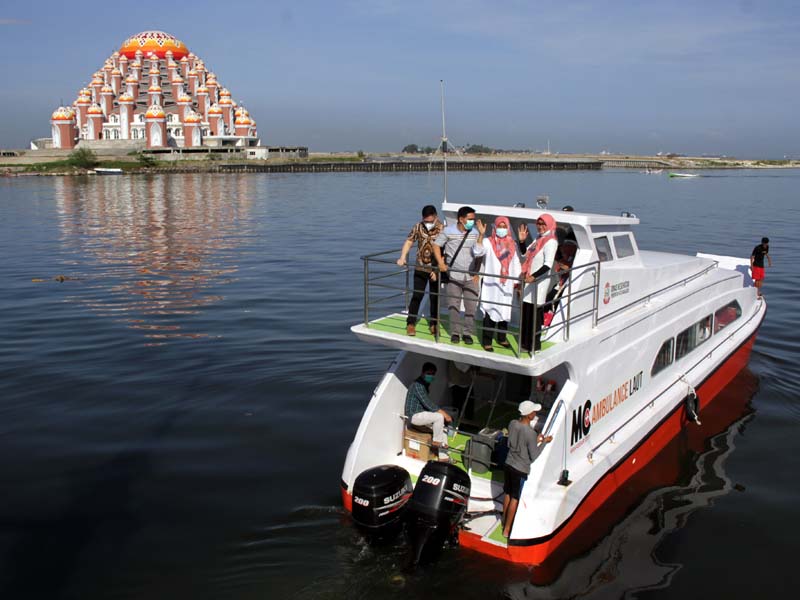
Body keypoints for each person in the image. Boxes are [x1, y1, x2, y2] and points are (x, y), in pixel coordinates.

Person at [433, 206, 486, 345]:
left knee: (471, 307)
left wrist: (476, 272)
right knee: (453, 306)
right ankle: (455, 333)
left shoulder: (475, 233)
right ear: (461, 219)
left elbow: (479, 254)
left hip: (470, 277)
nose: (472, 222)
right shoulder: (448, 231)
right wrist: (440, 263)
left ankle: (467, 333)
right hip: (454, 276)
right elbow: (436, 245)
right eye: (470, 219)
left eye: (473, 219)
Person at [502, 400, 552, 538]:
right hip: (520, 469)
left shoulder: (512, 424)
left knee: (507, 492)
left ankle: (503, 520)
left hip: (508, 464)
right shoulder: (530, 433)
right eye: (534, 412)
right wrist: (544, 443)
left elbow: (518, 442)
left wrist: (537, 440)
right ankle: (507, 529)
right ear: (529, 415)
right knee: (515, 498)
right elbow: (534, 455)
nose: (535, 413)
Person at [397, 205, 444, 336]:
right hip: (420, 267)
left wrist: (439, 268)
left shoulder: (443, 229)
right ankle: (410, 323)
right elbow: (409, 242)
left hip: (435, 269)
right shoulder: (418, 226)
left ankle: (434, 324)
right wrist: (402, 257)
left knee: (434, 298)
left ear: (436, 217)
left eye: (430, 221)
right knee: (417, 295)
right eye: (426, 221)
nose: (428, 223)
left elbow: (445, 250)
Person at [479, 216, 521, 352]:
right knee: (490, 311)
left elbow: (515, 263)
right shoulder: (488, 242)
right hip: (492, 284)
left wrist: (516, 282)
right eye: (500, 226)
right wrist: (480, 234)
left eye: (504, 226)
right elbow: (477, 252)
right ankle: (487, 341)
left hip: (506, 284)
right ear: (495, 227)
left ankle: (502, 338)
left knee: (504, 310)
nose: (502, 229)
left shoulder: (512, 244)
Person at [517, 214, 558, 352]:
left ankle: (534, 345)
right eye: (538, 224)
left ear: (550, 225)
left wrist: (534, 277)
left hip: (538, 283)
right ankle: (524, 344)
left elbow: (548, 265)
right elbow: (525, 254)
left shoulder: (551, 241)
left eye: (543, 224)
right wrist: (522, 242)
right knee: (526, 313)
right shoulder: (538, 239)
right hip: (529, 281)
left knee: (535, 315)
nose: (540, 226)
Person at [404, 362, 452, 458]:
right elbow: (427, 403)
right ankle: (437, 442)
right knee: (439, 417)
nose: (431, 376)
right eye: (428, 373)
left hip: (421, 414)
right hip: (414, 415)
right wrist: (445, 414)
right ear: (422, 372)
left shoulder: (425, 385)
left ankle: (444, 457)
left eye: (433, 374)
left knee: (443, 428)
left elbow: (426, 406)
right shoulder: (417, 385)